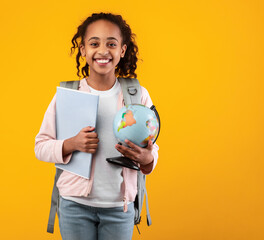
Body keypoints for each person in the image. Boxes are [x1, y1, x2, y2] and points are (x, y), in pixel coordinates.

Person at [34, 12, 159, 240]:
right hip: (74, 206)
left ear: (122, 50)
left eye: (111, 44)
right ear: (83, 50)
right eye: (94, 43)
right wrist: (71, 144)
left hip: (119, 208)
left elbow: (152, 149)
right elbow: (40, 146)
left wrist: (147, 159)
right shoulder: (69, 94)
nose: (103, 51)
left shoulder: (137, 94)